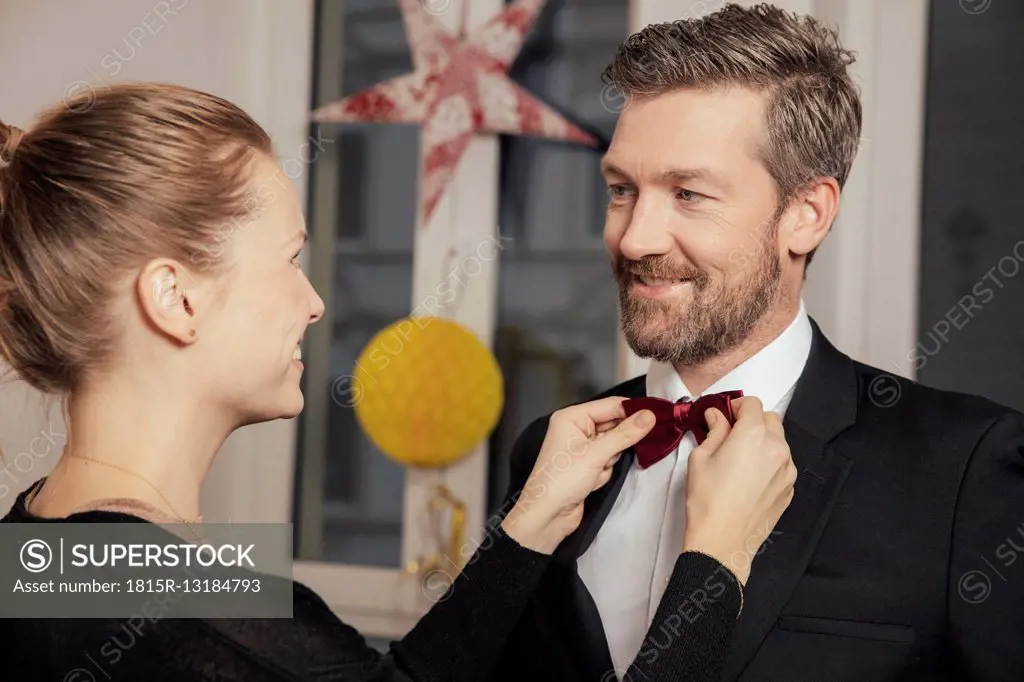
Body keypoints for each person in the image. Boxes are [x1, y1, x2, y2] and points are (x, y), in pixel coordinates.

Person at [0, 83, 796, 682]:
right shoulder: (190, 617)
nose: (314, 304)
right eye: (288, 260)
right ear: (176, 298)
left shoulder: (42, 552)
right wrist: (716, 564)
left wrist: (522, 533)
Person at [488, 4, 1024, 682]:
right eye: (622, 190)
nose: (634, 238)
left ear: (806, 214)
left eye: (687, 194)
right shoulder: (549, 451)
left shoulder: (967, 472)